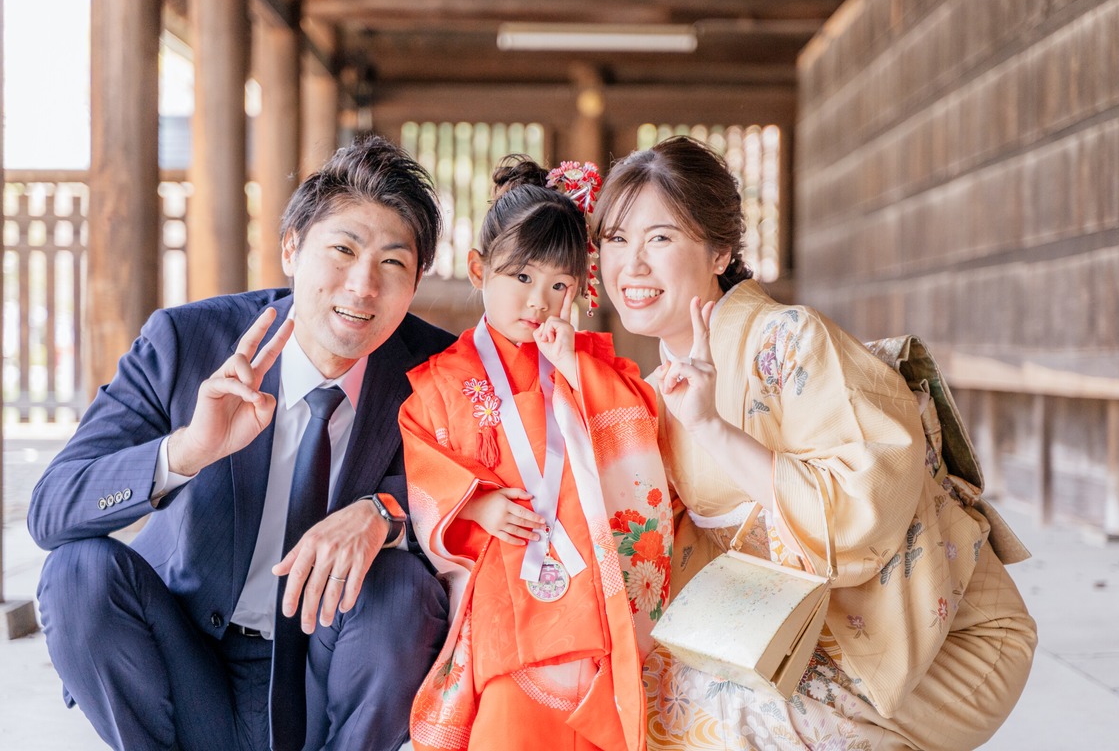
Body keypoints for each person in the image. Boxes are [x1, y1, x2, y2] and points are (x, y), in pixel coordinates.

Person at [594, 135, 1038, 751]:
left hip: (928, 638)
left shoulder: (792, 343)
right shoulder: (653, 392)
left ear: (719, 250)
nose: (632, 265)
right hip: (794, 635)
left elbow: (864, 508)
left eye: (659, 238)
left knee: (720, 712)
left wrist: (713, 428)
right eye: (615, 240)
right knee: (631, 697)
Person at [28, 135, 454, 751]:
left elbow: (489, 498)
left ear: (416, 280)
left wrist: (383, 513)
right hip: (188, 655)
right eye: (342, 249)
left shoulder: (439, 371)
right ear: (290, 248)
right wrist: (187, 451)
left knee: (403, 591)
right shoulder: (186, 343)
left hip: (334, 665)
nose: (363, 286)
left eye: (392, 263)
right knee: (76, 573)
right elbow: (51, 510)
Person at [399, 157, 672, 751]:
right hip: (506, 581)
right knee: (507, 721)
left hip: (591, 584)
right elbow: (422, 455)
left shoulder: (590, 363)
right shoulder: (446, 379)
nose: (538, 301)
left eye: (558, 286)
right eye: (521, 277)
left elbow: (637, 435)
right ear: (479, 269)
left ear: (580, 289)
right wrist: (474, 506)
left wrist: (575, 368)